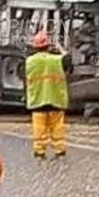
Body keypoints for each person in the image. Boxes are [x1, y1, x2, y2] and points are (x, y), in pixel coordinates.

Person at [24, 30, 70, 159]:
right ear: (49, 46)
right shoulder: (57, 60)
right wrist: (61, 48)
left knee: (39, 128)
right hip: (56, 99)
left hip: (38, 99)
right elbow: (68, 60)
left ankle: (40, 151)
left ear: (35, 46)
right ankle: (59, 150)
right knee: (57, 127)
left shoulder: (29, 61)